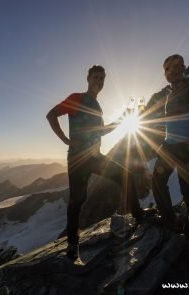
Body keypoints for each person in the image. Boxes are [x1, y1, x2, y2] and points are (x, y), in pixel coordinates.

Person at [46, 65, 145, 261]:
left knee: (126, 174)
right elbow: (51, 114)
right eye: (96, 77)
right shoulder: (77, 98)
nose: (99, 82)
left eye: (102, 79)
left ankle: (138, 214)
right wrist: (65, 139)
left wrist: (123, 119)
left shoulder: (97, 106)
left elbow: (100, 131)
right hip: (77, 158)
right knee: (77, 200)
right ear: (88, 79)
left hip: (94, 157)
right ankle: (73, 244)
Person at [151, 54, 189, 250]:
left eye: (177, 66)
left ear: (184, 67)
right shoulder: (168, 96)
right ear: (165, 73)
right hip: (169, 146)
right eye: (168, 68)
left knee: (188, 189)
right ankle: (170, 222)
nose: (173, 70)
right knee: (157, 180)